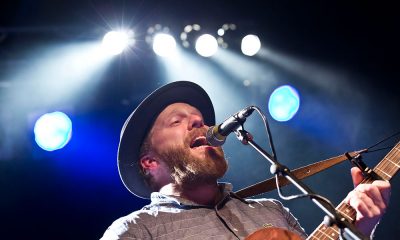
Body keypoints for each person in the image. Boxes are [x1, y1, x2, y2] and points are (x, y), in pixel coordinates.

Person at [101, 81, 391, 239]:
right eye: (177, 121)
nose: (198, 124)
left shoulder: (272, 211)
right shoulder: (136, 231)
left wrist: (360, 229)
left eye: (200, 121)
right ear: (149, 162)